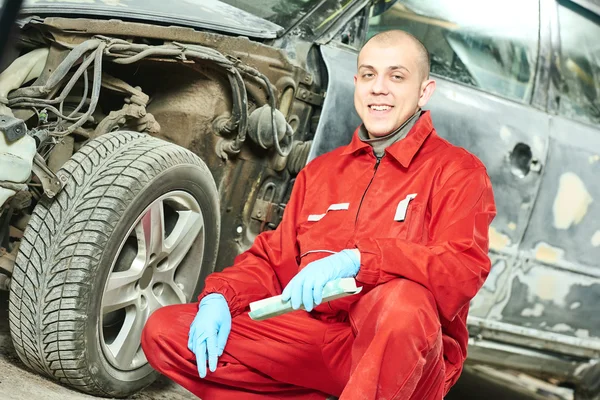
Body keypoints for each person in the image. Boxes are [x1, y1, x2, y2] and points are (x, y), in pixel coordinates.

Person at [141, 30, 496, 400]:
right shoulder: (323, 172)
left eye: (397, 76)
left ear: (424, 91)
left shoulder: (457, 171)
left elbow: (462, 269)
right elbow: (272, 260)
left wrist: (361, 260)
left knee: (404, 302)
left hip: (400, 356)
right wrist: (220, 297)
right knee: (167, 331)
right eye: (369, 75)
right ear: (356, 84)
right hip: (318, 340)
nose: (379, 88)